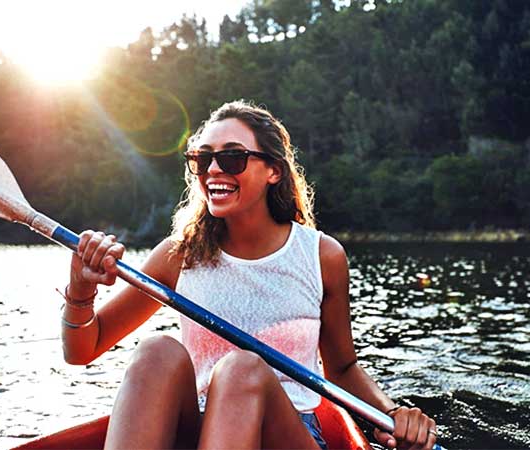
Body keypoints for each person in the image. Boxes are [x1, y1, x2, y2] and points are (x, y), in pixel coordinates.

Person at [60, 100, 438, 449]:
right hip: (200, 433)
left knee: (243, 368)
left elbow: (342, 368)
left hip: (289, 433)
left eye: (232, 157)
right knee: (156, 351)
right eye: (202, 158)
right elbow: (83, 350)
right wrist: (81, 289)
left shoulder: (321, 256)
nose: (212, 170)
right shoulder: (179, 255)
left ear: (274, 170)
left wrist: (392, 414)